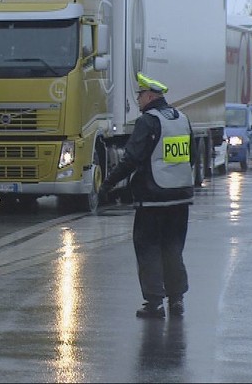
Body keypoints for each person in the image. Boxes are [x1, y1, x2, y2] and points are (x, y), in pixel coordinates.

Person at [98, 72, 196, 319]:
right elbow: (191, 157)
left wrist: (107, 185)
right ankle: (177, 300)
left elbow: (131, 159)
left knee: (149, 248)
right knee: (173, 248)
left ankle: (154, 303)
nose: (139, 100)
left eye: (140, 95)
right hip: (180, 197)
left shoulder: (148, 122)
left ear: (150, 96)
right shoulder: (182, 119)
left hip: (153, 199)